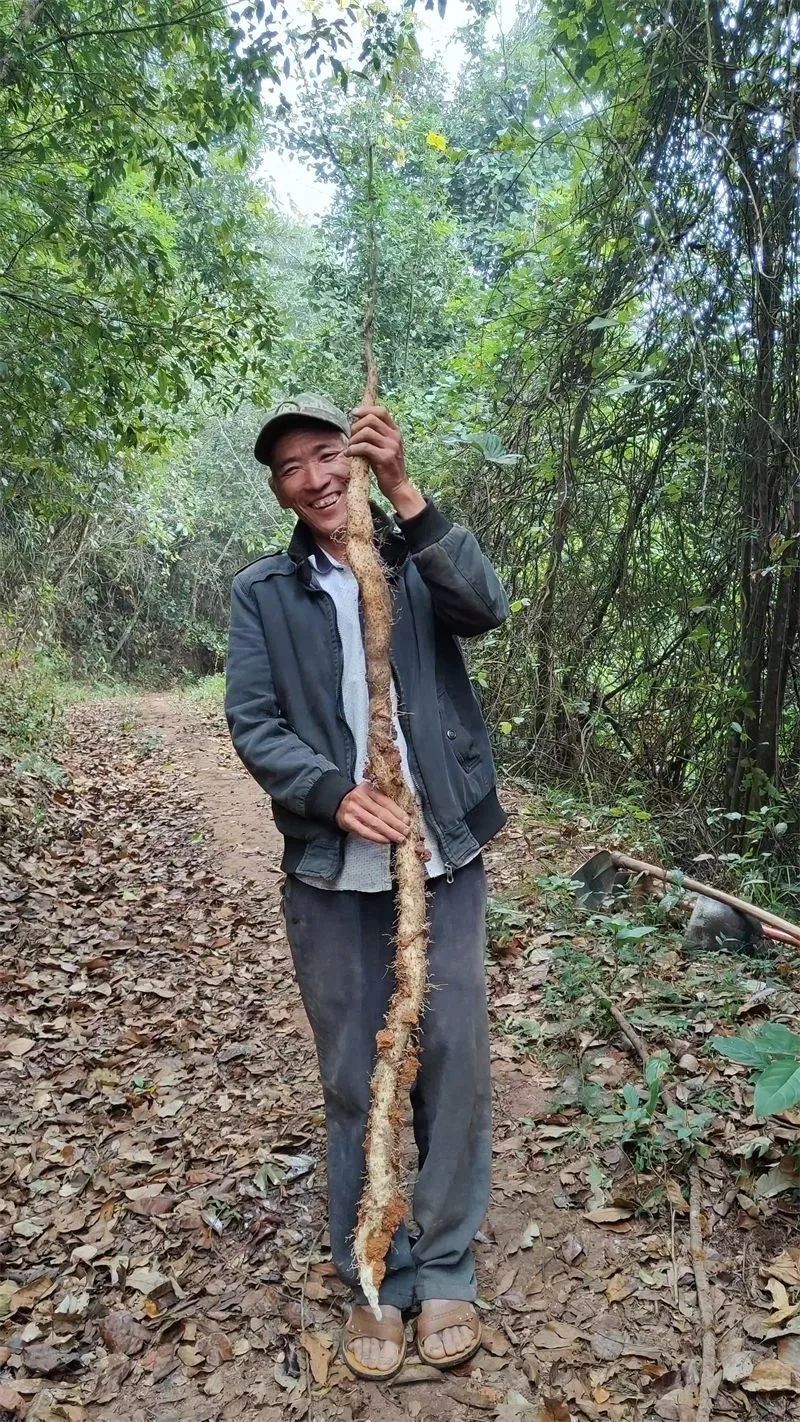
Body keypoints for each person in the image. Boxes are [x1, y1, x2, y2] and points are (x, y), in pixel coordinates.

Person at [225, 392, 508, 1381]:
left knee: (453, 1061)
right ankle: (373, 1273)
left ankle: (444, 1268)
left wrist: (404, 489)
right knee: (356, 1076)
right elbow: (254, 723)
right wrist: (331, 794)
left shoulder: (412, 552)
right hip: (330, 872)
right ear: (277, 488)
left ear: (353, 455)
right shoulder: (265, 592)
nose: (314, 476)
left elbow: (486, 607)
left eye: (326, 453)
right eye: (291, 466)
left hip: (444, 859)